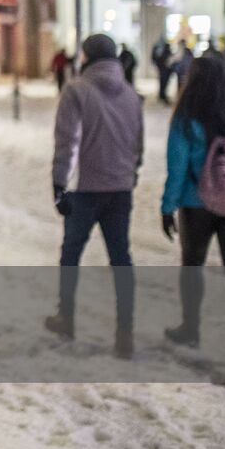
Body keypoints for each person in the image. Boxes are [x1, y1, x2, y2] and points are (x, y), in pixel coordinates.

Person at [44, 34, 143, 358]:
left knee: (71, 253)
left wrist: (60, 184)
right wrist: (131, 173)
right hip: (120, 189)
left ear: (86, 57)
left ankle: (66, 318)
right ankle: (125, 333)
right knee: (121, 260)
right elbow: (137, 144)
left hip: (86, 190)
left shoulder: (76, 90)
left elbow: (67, 141)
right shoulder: (130, 94)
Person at [161, 55, 225, 367]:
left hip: (195, 203)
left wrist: (168, 206)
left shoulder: (187, 115)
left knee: (192, 267)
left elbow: (177, 164)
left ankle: (190, 329)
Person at [152, 36, 175, 104]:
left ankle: (163, 95)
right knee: (162, 82)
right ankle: (162, 95)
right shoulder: (156, 47)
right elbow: (153, 57)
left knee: (165, 82)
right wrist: (157, 65)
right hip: (161, 68)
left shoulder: (166, 47)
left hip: (166, 69)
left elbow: (170, 56)